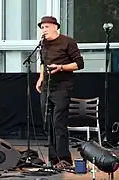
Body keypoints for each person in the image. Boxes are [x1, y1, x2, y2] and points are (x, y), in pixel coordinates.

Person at [35, 16, 84, 169]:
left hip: (62, 87)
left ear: (55, 27)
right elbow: (43, 63)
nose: (44, 30)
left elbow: (79, 64)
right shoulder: (43, 44)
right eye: (42, 27)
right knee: (47, 123)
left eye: (46, 27)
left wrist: (61, 67)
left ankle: (65, 159)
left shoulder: (68, 42)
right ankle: (53, 159)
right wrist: (41, 78)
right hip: (47, 87)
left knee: (58, 123)